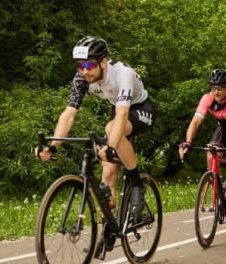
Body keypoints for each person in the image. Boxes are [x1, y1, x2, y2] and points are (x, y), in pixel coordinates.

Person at [35, 36, 157, 216]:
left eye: (89, 65)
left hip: (141, 109)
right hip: (118, 109)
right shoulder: (82, 79)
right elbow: (69, 114)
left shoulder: (123, 74)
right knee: (107, 173)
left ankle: (137, 184)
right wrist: (53, 146)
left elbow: (123, 114)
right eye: (80, 65)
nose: (84, 71)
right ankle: (109, 229)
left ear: (103, 62)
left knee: (110, 130)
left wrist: (111, 145)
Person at [178, 68, 226, 222]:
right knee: (211, 153)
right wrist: (188, 141)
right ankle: (218, 182)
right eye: (213, 88)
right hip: (223, 130)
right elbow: (196, 121)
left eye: (220, 88)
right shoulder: (207, 98)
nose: (216, 92)